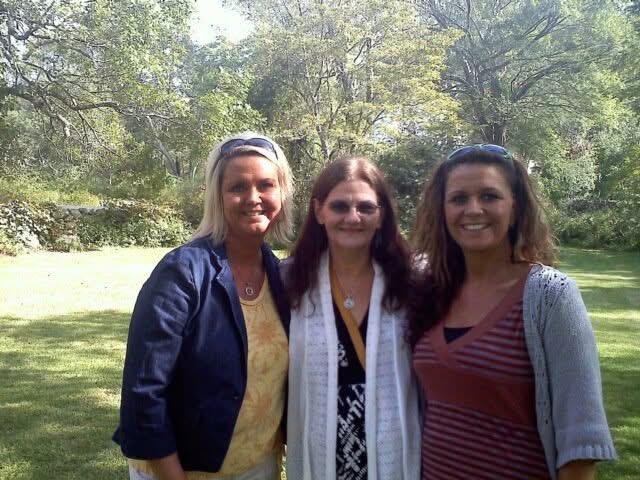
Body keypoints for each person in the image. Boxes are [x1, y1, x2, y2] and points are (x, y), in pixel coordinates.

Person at [410, 144, 616, 479]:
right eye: (459, 198)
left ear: (515, 206)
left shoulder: (551, 295)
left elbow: (580, 444)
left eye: (489, 196)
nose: (473, 209)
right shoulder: (430, 291)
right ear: (442, 209)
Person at [113, 132, 294, 480]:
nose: (253, 198)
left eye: (266, 185)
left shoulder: (280, 275)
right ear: (218, 197)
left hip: (258, 464)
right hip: (181, 470)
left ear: (282, 194)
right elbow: (144, 394)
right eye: (237, 187)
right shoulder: (182, 272)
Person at [285, 156, 421, 480]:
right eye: (340, 206)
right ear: (319, 211)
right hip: (320, 456)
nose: (353, 217)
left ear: (381, 215)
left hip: (394, 457)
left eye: (365, 207)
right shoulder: (291, 281)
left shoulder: (413, 281)